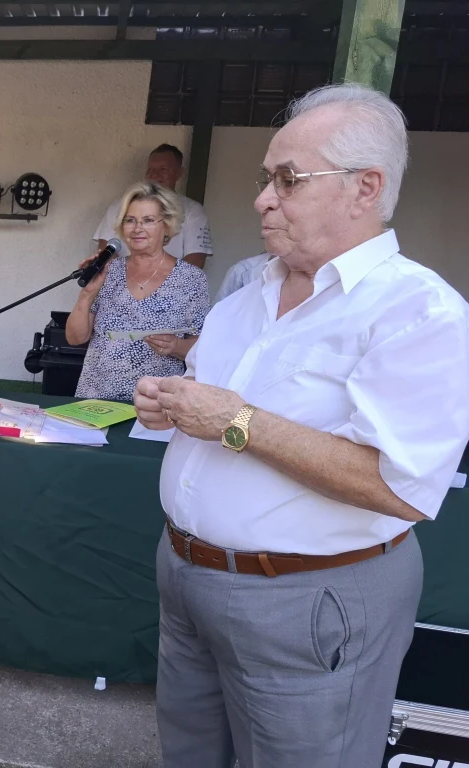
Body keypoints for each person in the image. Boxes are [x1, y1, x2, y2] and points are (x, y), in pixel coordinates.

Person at [133, 83, 469, 768]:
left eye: (288, 180)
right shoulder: (241, 298)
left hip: (307, 598)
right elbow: (209, 410)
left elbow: (399, 487)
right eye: (266, 179)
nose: (263, 199)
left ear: (365, 187)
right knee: (189, 755)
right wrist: (170, 405)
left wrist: (235, 421)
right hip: (186, 573)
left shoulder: (419, 312)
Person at [67, 181, 209, 402]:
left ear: (167, 226)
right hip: (96, 399)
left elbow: (203, 351)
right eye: (130, 220)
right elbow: (75, 338)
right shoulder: (108, 271)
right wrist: (87, 295)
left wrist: (176, 346)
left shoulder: (191, 278)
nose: (137, 228)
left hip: (157, 404)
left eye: (148, 220)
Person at [93, 144, 213, 268]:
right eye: (150, 169)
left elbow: (195, 260)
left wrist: (159, 279)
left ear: (179, 173)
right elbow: (105, 250)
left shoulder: (192, 210)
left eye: (163, 169)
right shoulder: (120, 206)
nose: (154, 175)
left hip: (172, 280)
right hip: (123, 278)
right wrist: (126, 277)